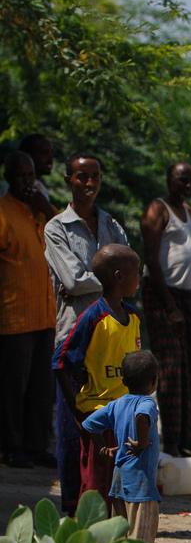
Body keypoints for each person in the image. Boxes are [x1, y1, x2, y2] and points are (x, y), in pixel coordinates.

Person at [44, 154, 129, 510]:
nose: (89, 184)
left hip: (111, 339)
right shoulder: (57, 228)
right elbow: (71, 280)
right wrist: (109, 281)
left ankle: (105, 504)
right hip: (75, 336)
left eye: (95, 176)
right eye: (82, 177)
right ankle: (70, 505)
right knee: (73, 424)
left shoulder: (111, 224)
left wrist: (91, 283)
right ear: (69, 180)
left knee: (110, 427)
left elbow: (125, 271)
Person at [53, 244, 142, 509]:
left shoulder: (134, 317)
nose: (140, 278)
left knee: (123, 485)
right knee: (95, 485)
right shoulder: (93, 317)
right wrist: (78, 412)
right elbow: (60, 363)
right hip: (100, 417)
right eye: (137, 272)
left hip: (126, 417)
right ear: (119, 276)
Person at [141, 161, 191, 456]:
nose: (186, 185)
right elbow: (151, 260)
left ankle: (189, 442)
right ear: (169, 181)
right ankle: (171, 443)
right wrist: (169, 307)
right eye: (181, 180)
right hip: (164, 297)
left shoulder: (188, 212)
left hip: (188, 296)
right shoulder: (158, 210)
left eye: (190, 180)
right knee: (171, 367)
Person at [0, 151, 57, 468]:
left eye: (31, 175)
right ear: (8, 177)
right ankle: (12, 446)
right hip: (14, 317)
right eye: (20, 176)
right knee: (13, 388)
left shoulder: (40, 213)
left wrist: (46, 210)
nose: (27, 182)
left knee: (41, 389)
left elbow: (68, 239)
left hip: (45, 317)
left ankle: (37, 447)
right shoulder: (3, 213)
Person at [82, 350, 161, 543]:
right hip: (141, 481)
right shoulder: (147, 403)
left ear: (123, 381)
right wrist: (142, 443)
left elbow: (89, 424)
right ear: (153, 381)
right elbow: (142, 416)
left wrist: (104, 448)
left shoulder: (116, 404)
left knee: (120, 529)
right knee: (141, 530)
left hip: (119, 478)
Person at [0, 133, 56, 219]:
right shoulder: (4, 190)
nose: (50, 159)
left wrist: (47, 210)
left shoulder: (40, 189)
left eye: (51, 152)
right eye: (44, 153)